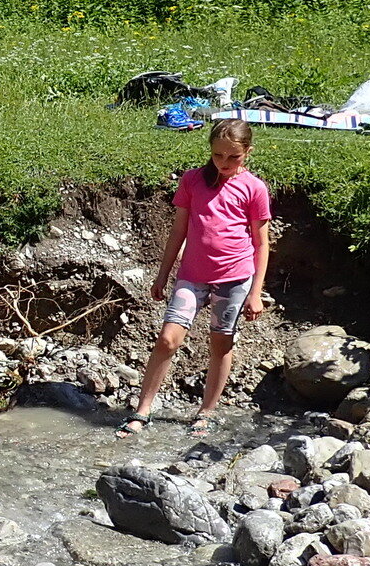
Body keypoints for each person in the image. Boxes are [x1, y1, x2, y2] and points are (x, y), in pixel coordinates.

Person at [116, 119, 272, 439]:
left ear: (248, 153)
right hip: (191, 277)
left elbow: (261, 243)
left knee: (220, 343)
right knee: (167, 339)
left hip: (234, 278)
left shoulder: (254, 188)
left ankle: (206, 411)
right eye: (217, 155)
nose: (224, 163)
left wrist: (256, 292)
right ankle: (143, 410)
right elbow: (179, 231)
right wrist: (163, 275)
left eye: (233, 157)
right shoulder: (193, 181)